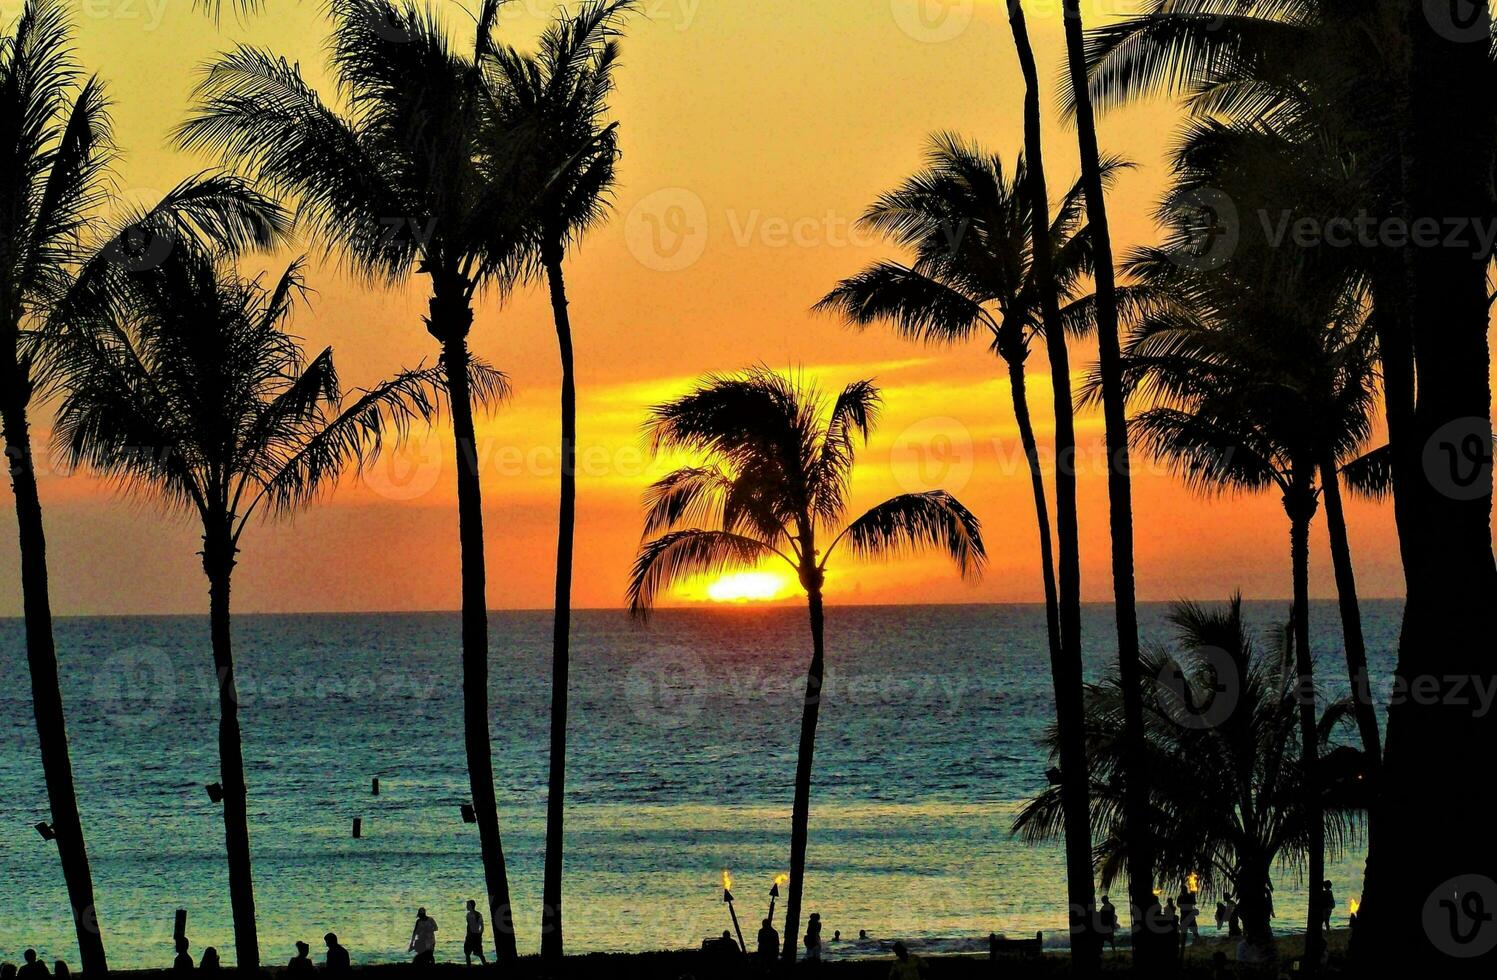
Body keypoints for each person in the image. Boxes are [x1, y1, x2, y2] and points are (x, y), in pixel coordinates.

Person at [464, 899, 487, 966]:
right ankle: (469, 965)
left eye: (467, 905)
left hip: (475, 936)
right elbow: (468, 925)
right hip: (469, 935)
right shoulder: (468, 915)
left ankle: (485, 964)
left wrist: (480, 934)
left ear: (471, 906)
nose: (466, 906)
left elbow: (481, 925)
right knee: (467, 952)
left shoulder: (478, 914)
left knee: (479, 952)